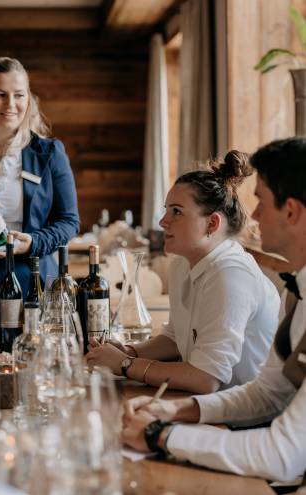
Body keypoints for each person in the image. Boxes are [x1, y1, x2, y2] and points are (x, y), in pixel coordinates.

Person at [122, 137, 306, 484]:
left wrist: (159, 435)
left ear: (292, 211)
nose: (254, 216)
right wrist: (177, 409)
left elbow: (282, 454)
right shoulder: (298, 291)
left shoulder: (234, 272)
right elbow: (268, 392)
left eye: (262, 202)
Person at [87, 150, 280, 393]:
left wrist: (125, 364)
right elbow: (176, 337)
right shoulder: (183, 262)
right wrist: (129, 351)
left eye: (176, 212)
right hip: (212, 405)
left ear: (212, 224)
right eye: (166, 210)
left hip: (246, 416)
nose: (162, 221)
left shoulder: (230, 274)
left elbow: (206, 379)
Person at [0, 57, 79, 298]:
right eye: (0, 94)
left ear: (28, 99)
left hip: (30, 279)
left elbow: (69, 221)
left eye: (19, 95)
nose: (11, 104)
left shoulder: (49, 153)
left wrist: (32, 242)